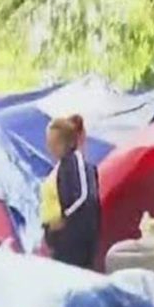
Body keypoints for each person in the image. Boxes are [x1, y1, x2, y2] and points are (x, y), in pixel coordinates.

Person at [43, 114, 100, 269]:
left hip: (75, 238)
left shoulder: (76, 161)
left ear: (66, 142)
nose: (50, 147)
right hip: (59, 240)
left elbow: (85, 195)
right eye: (49, 143)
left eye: (54, 142)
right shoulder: (61, 166)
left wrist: (64, 218)